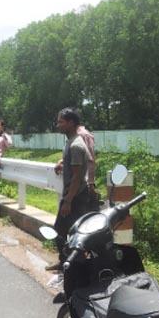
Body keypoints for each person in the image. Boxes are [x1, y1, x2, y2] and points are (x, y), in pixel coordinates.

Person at [46, 108, 98, 270]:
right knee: (66, 231)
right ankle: (67, 263)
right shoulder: (71, 142)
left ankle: (71, 265)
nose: (58, 125)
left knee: (64, 231)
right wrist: (62, 163)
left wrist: (68, 201)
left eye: (61, 122)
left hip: (75, 196)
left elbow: (77, 177)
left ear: (71, 123)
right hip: (73, 194)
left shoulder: (76, 145)